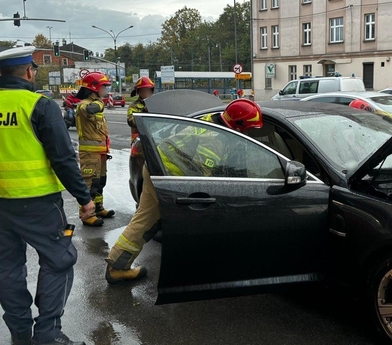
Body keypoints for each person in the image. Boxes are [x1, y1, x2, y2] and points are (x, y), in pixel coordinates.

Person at [104, 99, 263, 283]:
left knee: (144, 219)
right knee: (152, 222)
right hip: (168, 174)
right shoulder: (214, 140)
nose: (248, 133)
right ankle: (119, 268)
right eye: (248, 128)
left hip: (156, 167)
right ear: (239, 124)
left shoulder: (212, 119)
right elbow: (202, 177)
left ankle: (117, 265)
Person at [0, 46, 94, 345]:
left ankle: (19, 336)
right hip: (38, 203)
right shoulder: (38, 105)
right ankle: (48, 335)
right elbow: (63, 159)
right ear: (29, 71)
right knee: (58, 260)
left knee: (6, 269)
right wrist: (84, 198)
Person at [75, 72, 115, 226]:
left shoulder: (97, 103)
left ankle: (98, 208)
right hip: (89, 154)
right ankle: (86, 215)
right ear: (94, 88)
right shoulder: (84, 105)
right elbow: (90, 109)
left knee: (100, 182)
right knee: (89, 184)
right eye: (103, 87)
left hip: (100, 153)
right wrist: (101, 103)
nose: (105, 90)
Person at [127, 76, 154, 145]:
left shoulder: (156, 103)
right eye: (143, 90)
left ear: (152, 91)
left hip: (154, 139)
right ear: (139, 92)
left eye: (148, 90)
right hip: (139, 142)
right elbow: (131, 122)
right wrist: (144, 112)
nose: (146, 92)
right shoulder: (133, 106)